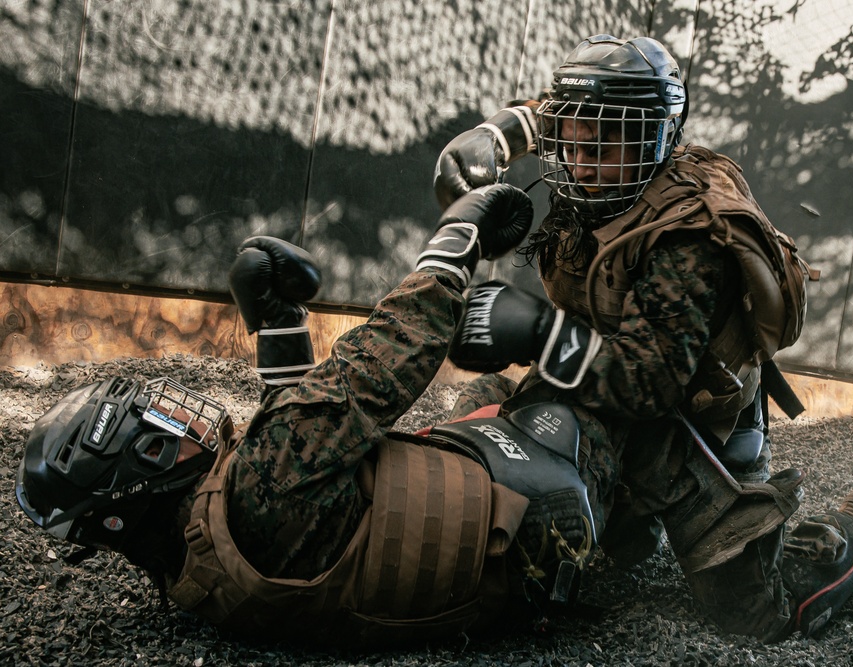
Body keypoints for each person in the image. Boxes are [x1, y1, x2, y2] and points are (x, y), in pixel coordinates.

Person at [432, 34, 853, 641]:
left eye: (603, 146)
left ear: (654, 136)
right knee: (523, 502)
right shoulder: (597, 167)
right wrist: (496, 135)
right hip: (592, 382)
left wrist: (537, 331)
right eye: (573, 143)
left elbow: (649, 384)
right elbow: (560, 113)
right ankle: (621, 518)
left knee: (759, 614)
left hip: (684, 420)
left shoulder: (686, 235)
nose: (581, 163)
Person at [13, 184, 612, 647]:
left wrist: (280, 327)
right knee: (591, 373)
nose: (177, 412)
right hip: (548, 520)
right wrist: (459, 235)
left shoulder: (201, 559)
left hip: (499, 567)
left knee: (480, 390)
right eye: (156, 422)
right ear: (142, 468)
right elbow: (385, 358)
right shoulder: (266, 482)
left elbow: (311, 453)